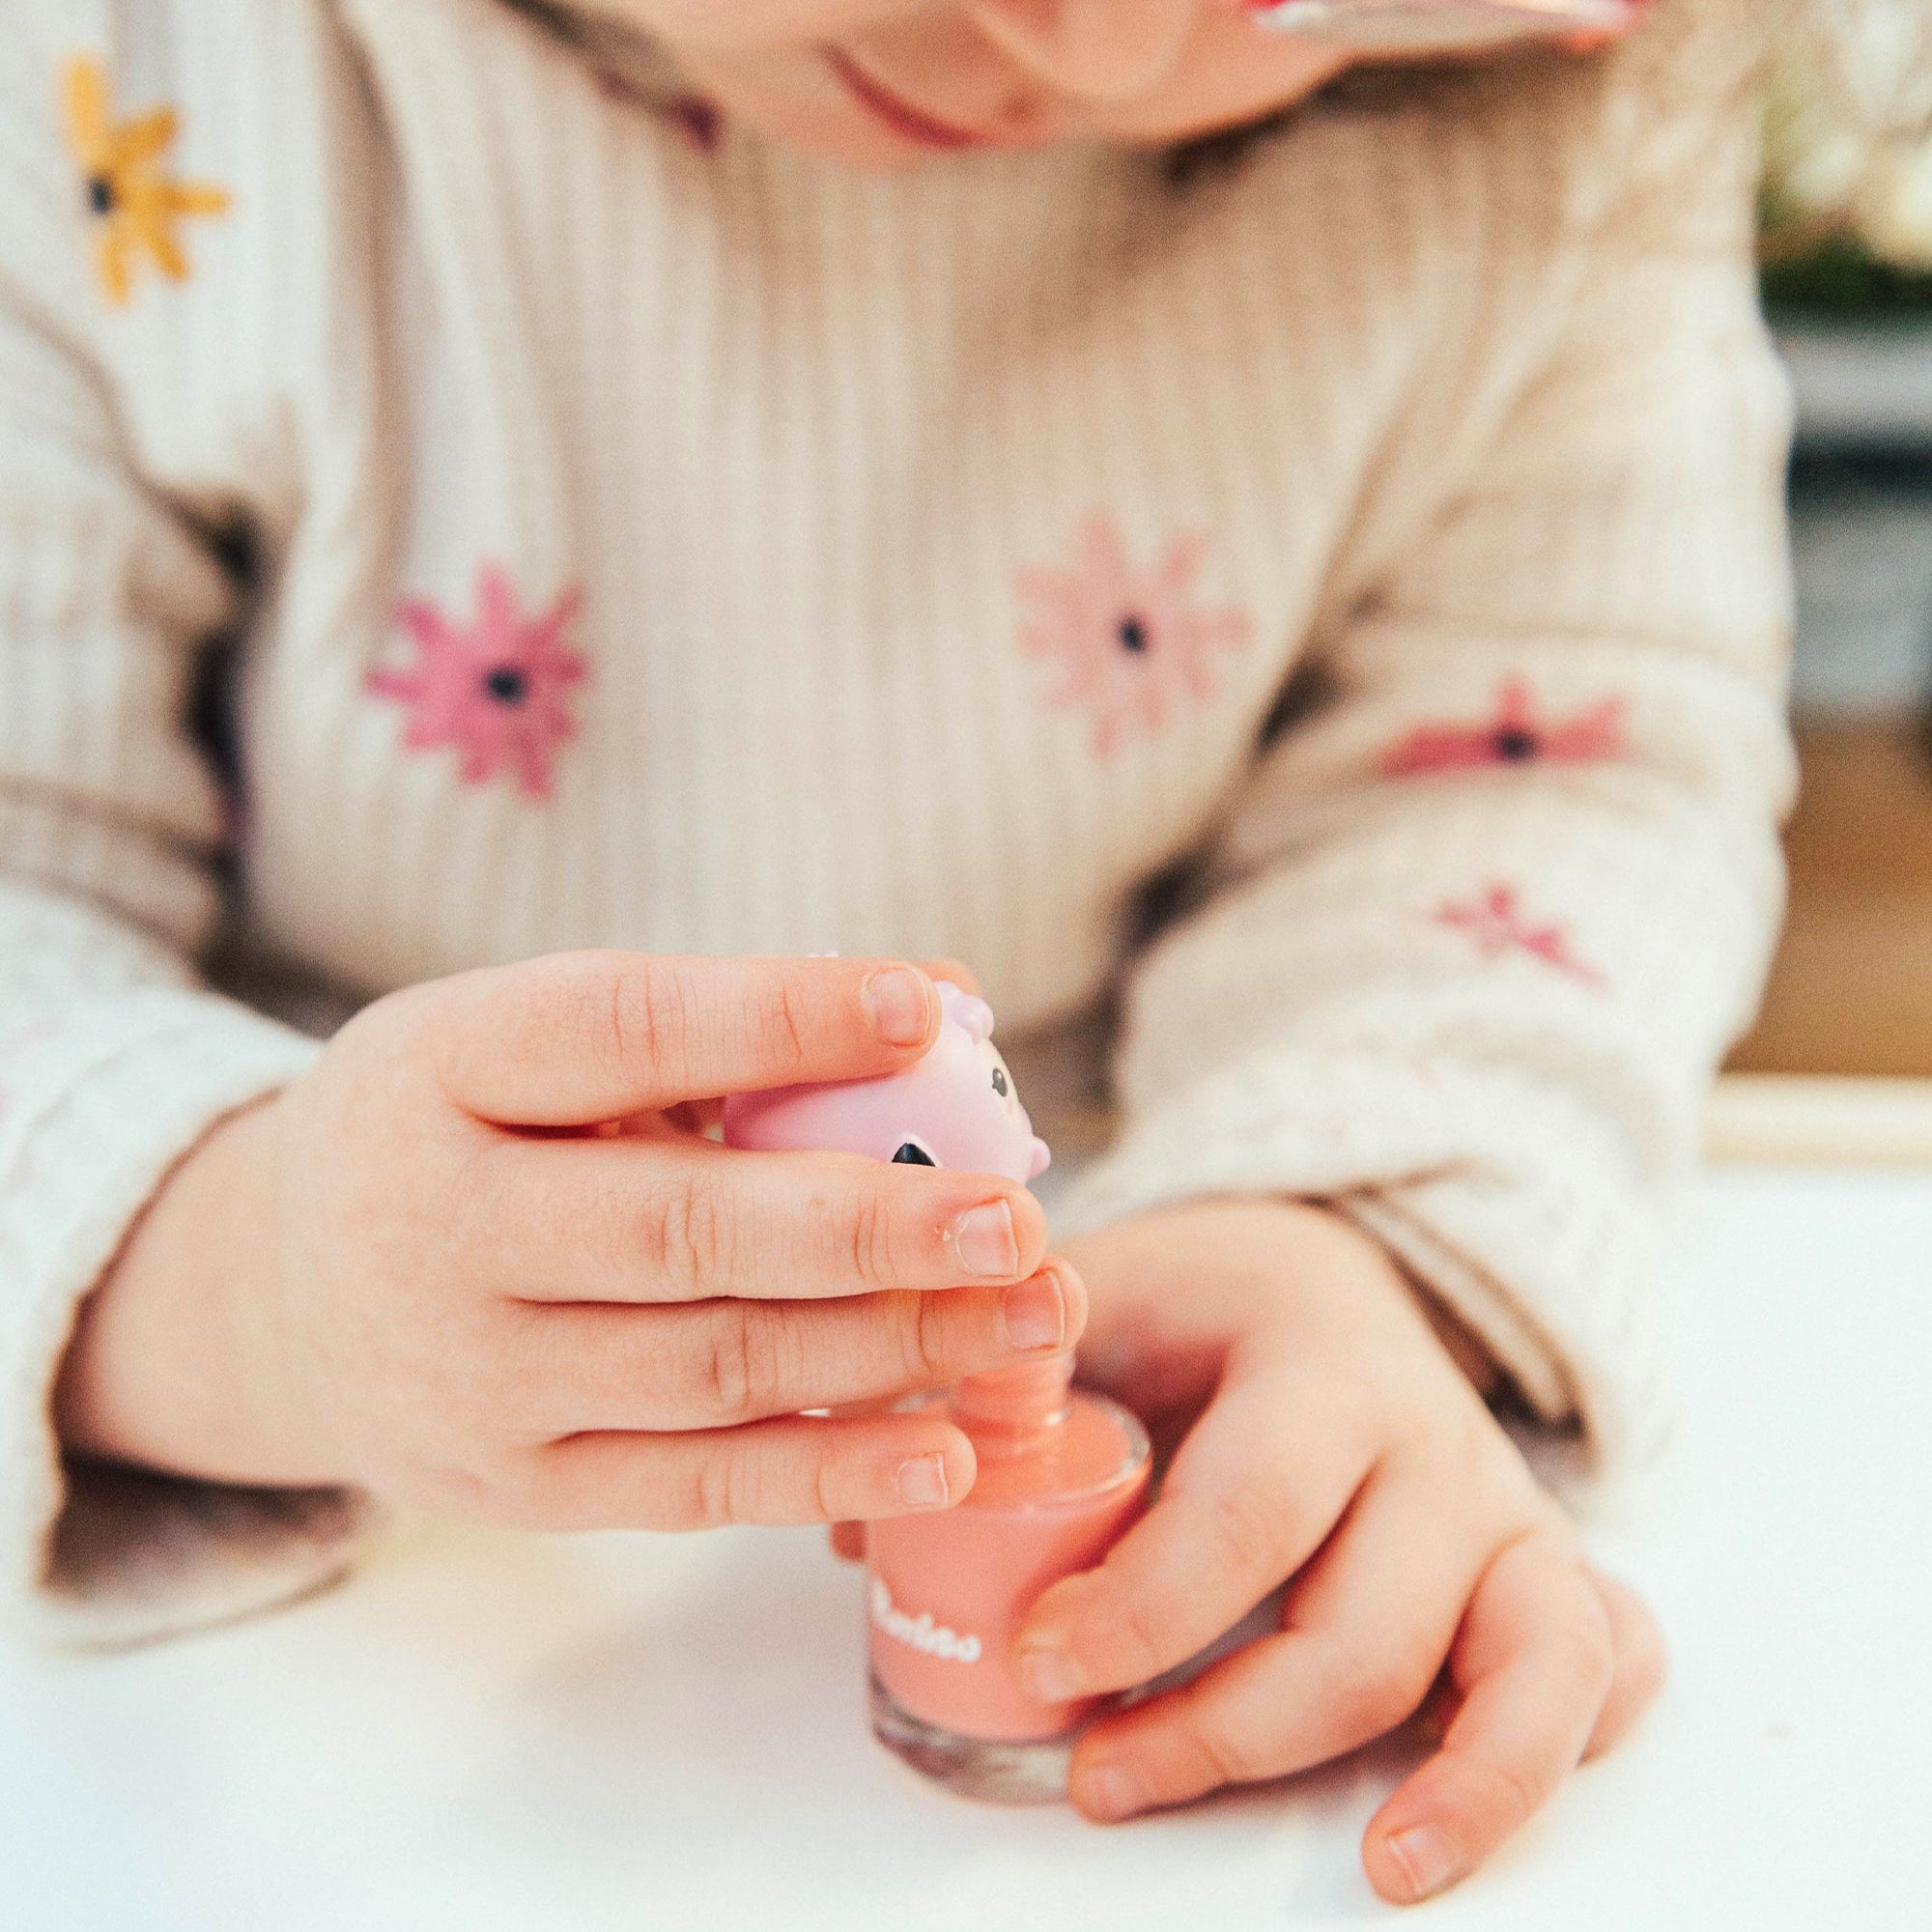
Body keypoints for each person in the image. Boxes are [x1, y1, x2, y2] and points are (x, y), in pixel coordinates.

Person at [0, 0, 1795, 1905]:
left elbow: (1532, 795)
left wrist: (1355, 1230)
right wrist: (248, 1285)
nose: (1093, 57)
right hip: (320, 1682)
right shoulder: (136, 76)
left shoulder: (1543, 126)